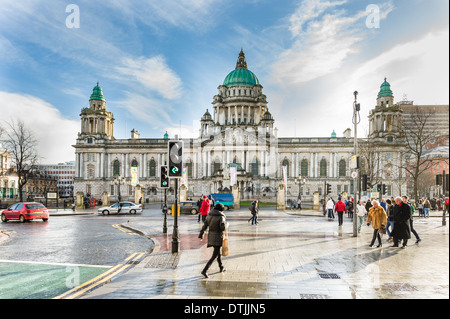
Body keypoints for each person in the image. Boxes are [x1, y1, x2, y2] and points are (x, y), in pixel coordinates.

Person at [199, 203, 227, 278]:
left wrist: (201, 234)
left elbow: (204, 226)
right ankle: (204, 270)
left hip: (211, 236)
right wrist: (226, 225)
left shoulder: (209, 216)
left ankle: (221, 267)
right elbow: (222, 228)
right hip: (218, 237)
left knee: (217, 253)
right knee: (215, 255)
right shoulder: (221, 217)